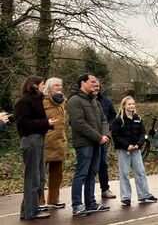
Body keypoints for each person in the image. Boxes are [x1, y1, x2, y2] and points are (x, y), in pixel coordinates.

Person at [66, 73, 111, 216]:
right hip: (84, 143)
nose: (95, 84)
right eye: (92, 81)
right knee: (81, 173)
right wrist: (98, 137)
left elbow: (104, 120)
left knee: (92, 173)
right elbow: (79, 124)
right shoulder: (74, 101)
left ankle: (90, 203)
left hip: (98, 143)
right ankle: (77, 205)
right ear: (82, 83)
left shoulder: (95, 101)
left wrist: (105, 135)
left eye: (96, 81)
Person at [14, 76, 56, 220]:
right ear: (35, 85)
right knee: (33, 177)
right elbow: (23, 124)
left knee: (39, 177)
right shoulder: (25, 101)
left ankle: (28, 210)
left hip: (38, 139)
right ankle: (30, 212)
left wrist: (46, 124)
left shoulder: (37, 100)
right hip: (31, 140)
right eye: (43, 84)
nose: (45, 86)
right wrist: (45, 123)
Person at [111, 96, 157, 206]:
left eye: (133, 104)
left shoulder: (138, 118)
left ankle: (144, 195)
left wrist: (138, 144)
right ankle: (126, 197)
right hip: (123, 150)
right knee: (124, 173)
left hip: (136, 150)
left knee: (140, 172)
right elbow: (115, 136)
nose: (131, 106)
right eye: (129, 104)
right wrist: (127, 145)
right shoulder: (118, 120)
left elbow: (142, 134)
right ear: (124, 105)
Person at [42, 77, 68, 210]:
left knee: (57, 175)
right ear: (49, 87)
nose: (59, 87)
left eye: (60, 85)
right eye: (56, 85)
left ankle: (54, 199)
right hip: (44, 142)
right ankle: (39, 201)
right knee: (40, 174)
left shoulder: (62, 102)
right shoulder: (42, 102)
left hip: (59, 142)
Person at [96, 82, 116, 199]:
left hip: (103, 137)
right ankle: (87, 195)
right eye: (93, 84)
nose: (96, 87)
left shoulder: (106, 101)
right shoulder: (81, 100)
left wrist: (108, 127)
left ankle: (105, 189)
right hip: (89, 138)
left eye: (98, 85)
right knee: (88, 167)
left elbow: (113, 116)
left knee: (103, 164)